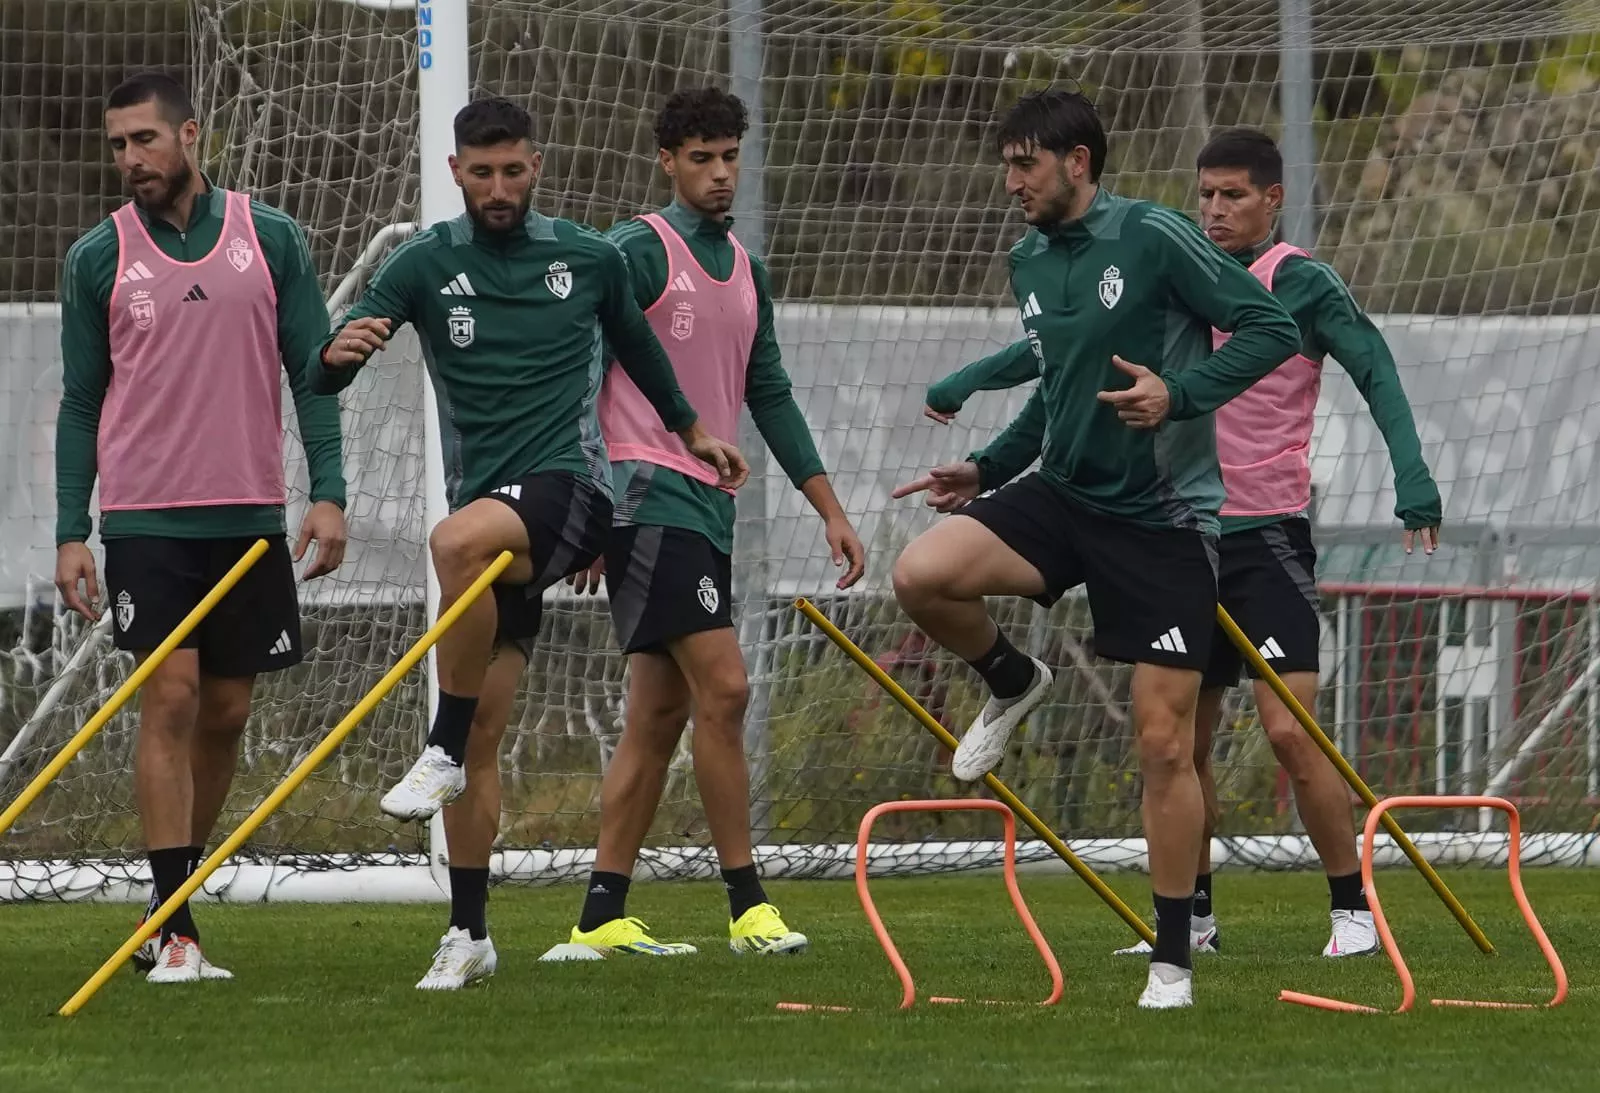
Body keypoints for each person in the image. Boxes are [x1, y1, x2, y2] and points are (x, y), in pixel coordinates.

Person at [920, 127, 1442, 961]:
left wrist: (1411, 475)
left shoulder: (1296, 283)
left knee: (1288, 730)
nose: (1214, 209)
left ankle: (1351, 904)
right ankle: (1192, 916)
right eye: (1204, 194)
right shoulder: (1170, 274)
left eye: (1233, 195)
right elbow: (1059, 352)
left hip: (1262, 536)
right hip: (1173, 533)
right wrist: (977, 401)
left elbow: (1374, 364)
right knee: (1177, 742)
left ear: (1273, 200)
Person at [316, 97, 746, 990]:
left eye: (514, 170)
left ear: (537, 164)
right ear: (456, 174)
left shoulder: (586, 257)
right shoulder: (424, 264)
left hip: (575, 494)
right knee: (485, 738)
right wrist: (335, 355)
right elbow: (331, 362)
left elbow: (641, 350)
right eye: (483, 173)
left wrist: (693, 431)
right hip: (496, 522)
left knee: (450, 541)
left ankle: (435, 742)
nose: (500, 187)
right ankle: (469, 931)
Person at [889, 89, 1301, 1010]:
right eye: (1006, 164)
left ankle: (1172, 957)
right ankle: (1011, 678)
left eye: (1024, 163)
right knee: (922, 573)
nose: (1011, 182)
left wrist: (1181, 395)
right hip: (1063, 497)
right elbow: (1060, 384)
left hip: (1162, 519)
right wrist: (989, 467)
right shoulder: (1027, 259)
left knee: (1162, 746)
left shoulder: (1155, 236)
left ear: (1078, 163)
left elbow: (1272, 327)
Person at [544, 87, 866, 961]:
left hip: (704, 508)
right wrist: (590, 501)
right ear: (667, 162)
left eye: (729, 155)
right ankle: (748, 904)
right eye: (701, 158)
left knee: (656, 716)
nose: (720, 173)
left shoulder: (748, 271)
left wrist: (830, 509)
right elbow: (578, 377)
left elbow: (771, 395)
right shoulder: (635, 253)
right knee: (726, 690)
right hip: (650, 496)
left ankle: (600, 914)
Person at [55, 72, 349, 983]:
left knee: (226, 709)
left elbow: (313, 371)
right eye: (117, 144)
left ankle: (162, 900)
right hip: (146, 519)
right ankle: (177, 922)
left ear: (191, 134)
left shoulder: (272, 237)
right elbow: (79, 401)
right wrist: (74, 528)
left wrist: (328, 492)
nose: (131, 159)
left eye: (145, 139)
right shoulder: (96, 257)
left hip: (250, 514)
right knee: (172, 697)